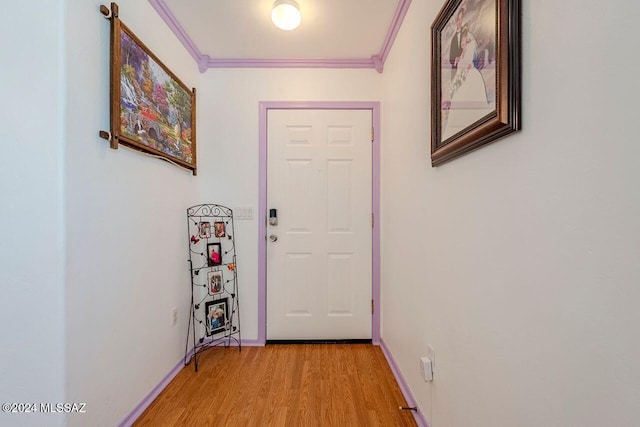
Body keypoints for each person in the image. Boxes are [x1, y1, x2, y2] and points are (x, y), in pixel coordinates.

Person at [443, 26, 493, 140]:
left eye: (463, 40)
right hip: (461, 80)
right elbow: (459, 70)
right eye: (461, 40)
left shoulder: (469, 49)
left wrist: (462, 77)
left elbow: (468, 65)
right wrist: (457, 81)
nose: (462, 42)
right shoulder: (460, 55)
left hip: (470, 77)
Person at [449, 8, 465, 81]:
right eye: (458, 19)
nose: (460, 21)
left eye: (461, 19)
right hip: (456, 72)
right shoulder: (453, 40)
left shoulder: (466, 34)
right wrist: (456, 59)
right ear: (456, 21)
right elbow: (450, 59)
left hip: (464, 69)